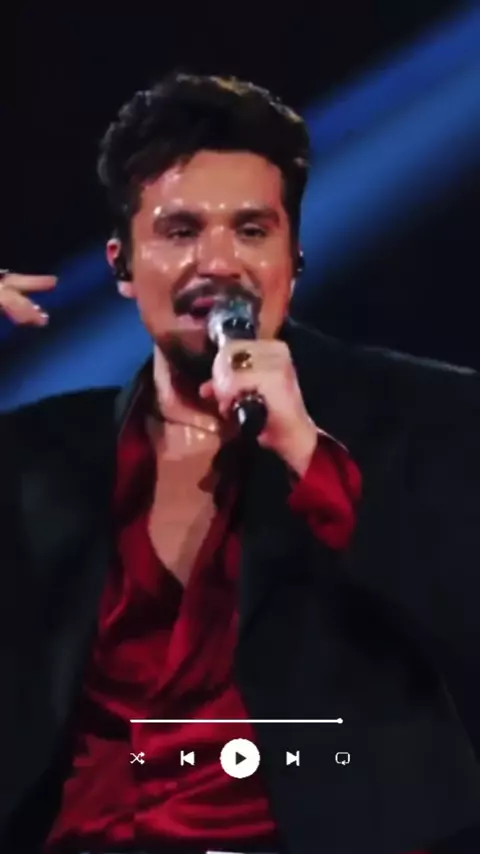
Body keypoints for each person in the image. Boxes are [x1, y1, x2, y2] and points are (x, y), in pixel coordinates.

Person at [0, 73, 479, 854]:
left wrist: (306, 452)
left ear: (295, 258)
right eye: (181, 230)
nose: (218, 261)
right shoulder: (35, 458)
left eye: (252, 230)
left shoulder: (422, 414)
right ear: (123, 266)